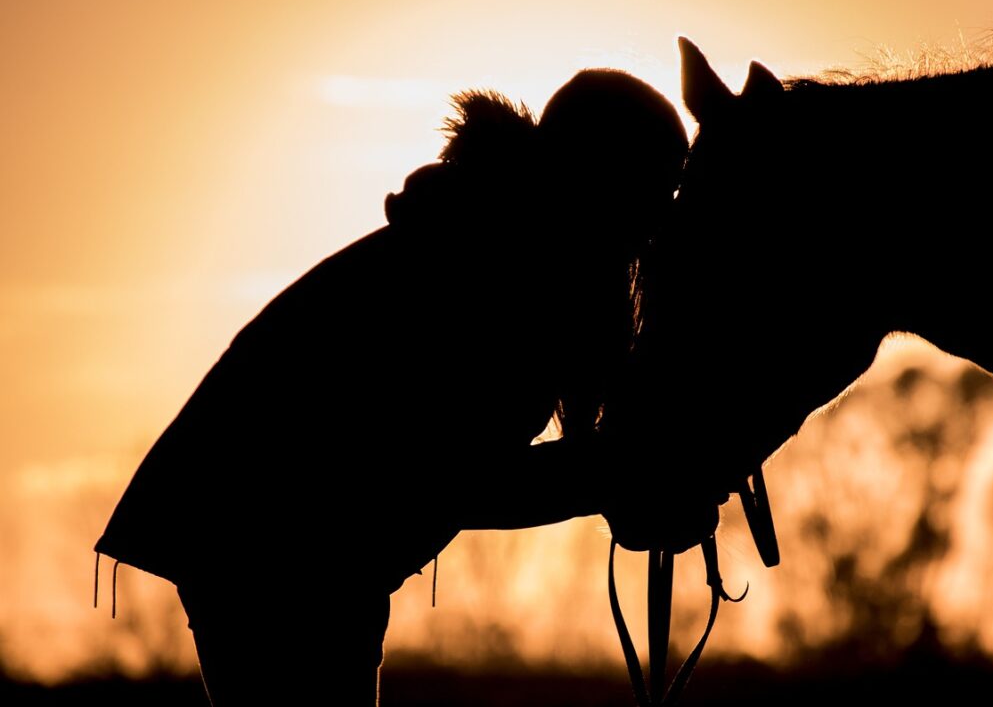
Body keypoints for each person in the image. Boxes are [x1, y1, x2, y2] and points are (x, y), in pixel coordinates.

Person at [93, 69, 690, 705]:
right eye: (657, 188)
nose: (661, 221)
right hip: (269, 542)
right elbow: (462, 479)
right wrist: (615, 475)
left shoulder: (493, 239)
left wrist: (619, 475)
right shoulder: (486, 267)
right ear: (605, 178)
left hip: (287, 544)